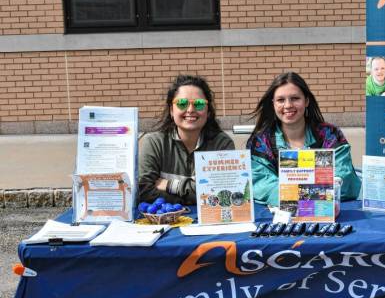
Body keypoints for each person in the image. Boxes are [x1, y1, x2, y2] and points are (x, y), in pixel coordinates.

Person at [247, 72, 361, 206]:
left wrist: (296, 195)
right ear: (273, 104)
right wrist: (317, 194)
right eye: (280, 100)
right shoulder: (260, 142)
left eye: (295, 98)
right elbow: (262, 185)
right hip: (279, 219)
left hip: (329, 213)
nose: (288, 105)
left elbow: (343, 177)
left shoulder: (330, 135)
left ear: (306, 101)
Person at [138, 74, 234, 205]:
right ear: (172, 110)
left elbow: (224, 193)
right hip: (168, 220)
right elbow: (144, 192)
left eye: (199, 104)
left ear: (209, 111)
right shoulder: (154, 143)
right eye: (182, 103)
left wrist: (172, 186)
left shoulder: (222, 144)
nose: (190, 110)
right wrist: (193, 198)